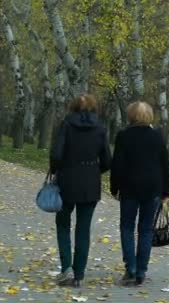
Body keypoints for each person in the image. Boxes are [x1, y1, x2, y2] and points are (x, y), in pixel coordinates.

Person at [50, 94, 112, 287]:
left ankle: (66, 268)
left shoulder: (66, 125)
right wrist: (93, 170)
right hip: (90, 182)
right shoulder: (100, 128)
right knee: (83, 229)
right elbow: (107, 161)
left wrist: (55, 170)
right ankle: (79, 273)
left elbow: (57, 154)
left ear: (73, 107)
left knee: (62, 224)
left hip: (67, 179)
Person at [110, 101, 169, 286]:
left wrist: (114, 188)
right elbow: (165, 165)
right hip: (153, 188)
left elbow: (117, 165)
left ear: (131, 116)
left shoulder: (123, 136)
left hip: (129, 188)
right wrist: (166, 191)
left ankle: (131, 268)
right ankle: (142, 270)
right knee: (146, 230)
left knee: (127, 227)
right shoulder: (157, 136)